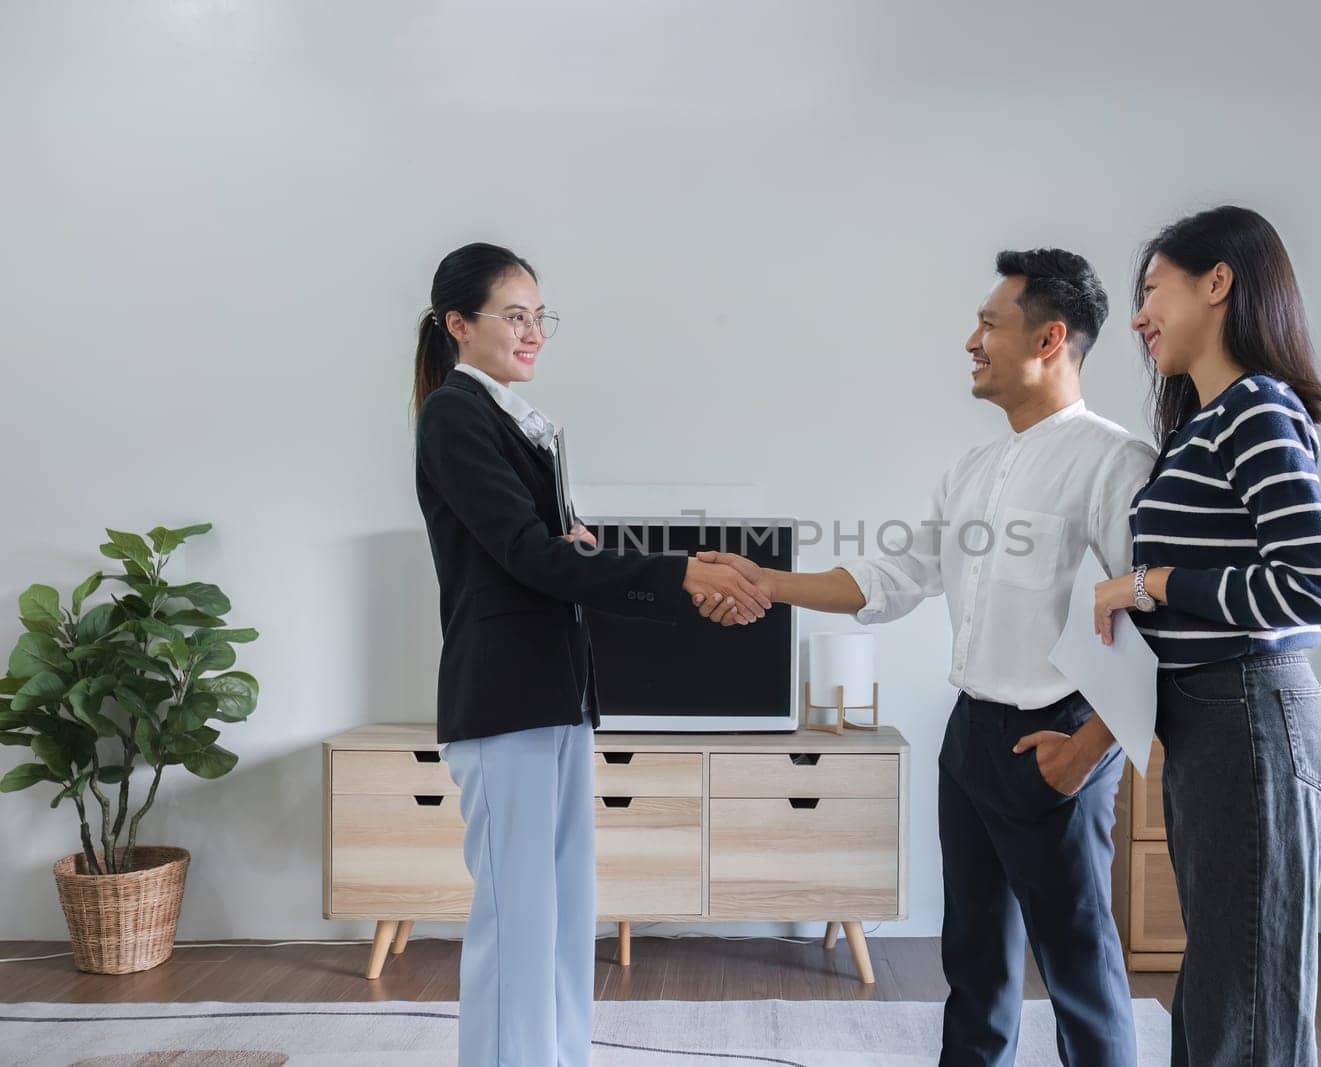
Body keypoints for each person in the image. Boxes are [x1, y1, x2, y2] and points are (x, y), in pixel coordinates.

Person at [700, 250, 1154, 1066]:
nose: (971, 341)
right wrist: (769, 580)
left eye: (989, 323)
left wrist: (1085, 754)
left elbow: (1149, 615)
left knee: (1078, 969)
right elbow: (892, 577)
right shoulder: (972, 469)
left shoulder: (1115, 462)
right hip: (971, 737)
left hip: (1058, 740)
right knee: (973, 962)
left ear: (1050, 338)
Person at [411, 242, 770, 1066]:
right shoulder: (455, 414)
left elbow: (542, 552)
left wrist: (571, 545)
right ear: (458, 326)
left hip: (554, 697)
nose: (533, 332)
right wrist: (676, 570)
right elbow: (529, 557)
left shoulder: (508, 418)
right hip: (504, 703)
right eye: (515, 316)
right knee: (517, 919)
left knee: (564, 914)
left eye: (542, 317)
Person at [1094, 206, 1321, 1066]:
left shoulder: (1255, 407)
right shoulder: (1199, 426)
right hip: (1212, 722)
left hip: (1252, 716)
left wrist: (1154, 583)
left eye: (1151, 289)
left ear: (1218, 283)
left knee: (1246, 1000)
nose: (1138, 317)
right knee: (1221, 987)